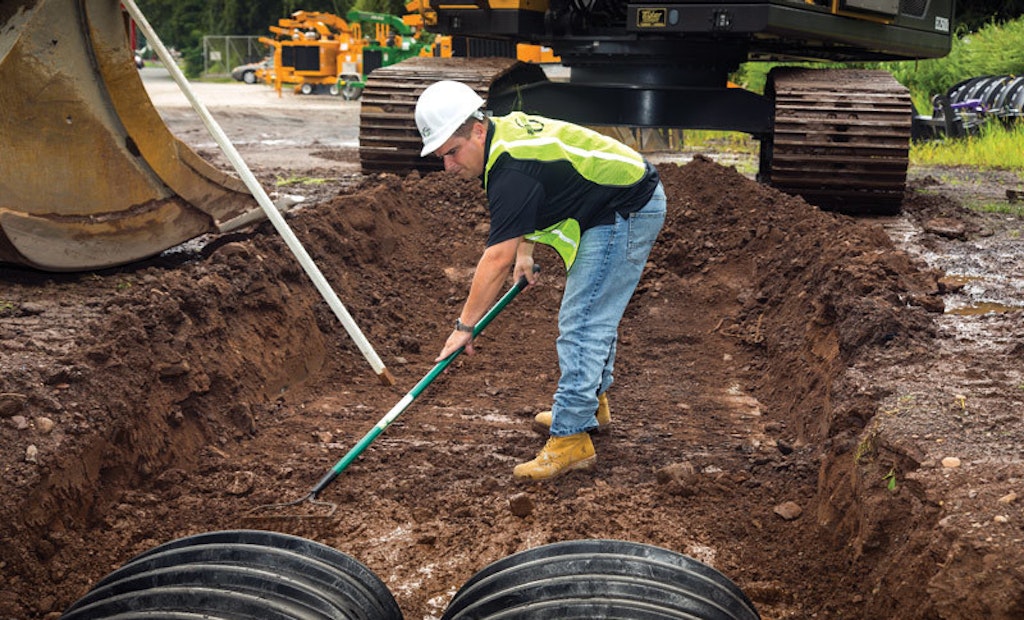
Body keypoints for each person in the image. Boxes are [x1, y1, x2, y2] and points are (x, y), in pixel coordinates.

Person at [414, 80, 666, 481]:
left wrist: (464, 327)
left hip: (626, 207)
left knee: (583, 321)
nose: (448, 165)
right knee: (591, 313)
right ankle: (590, 405)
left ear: (477, 130)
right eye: (442, 155)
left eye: (452, 152)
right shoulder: (501, 141)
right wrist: (526, 253)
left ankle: (571, 440)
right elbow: (541, 191)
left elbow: (494, 258)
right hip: (611, 201)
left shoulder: (510, 169)